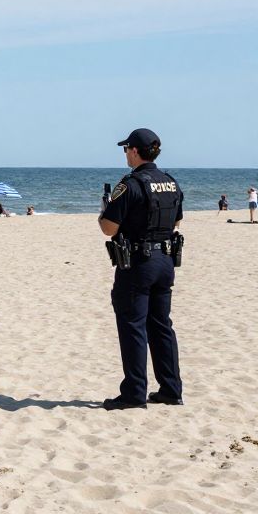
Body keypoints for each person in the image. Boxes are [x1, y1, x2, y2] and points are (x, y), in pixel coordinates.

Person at [98, 128, 184, 410]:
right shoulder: (170, 182)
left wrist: (104, 212)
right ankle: (171, 389)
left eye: (126, 149)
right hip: (165, 260)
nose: (125, 154)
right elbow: (175, 223)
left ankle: (134, 394)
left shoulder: (131, 184)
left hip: (138, 262)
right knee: (161, 326)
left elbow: (109, 228)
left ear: (135, 151)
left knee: (133, 326)